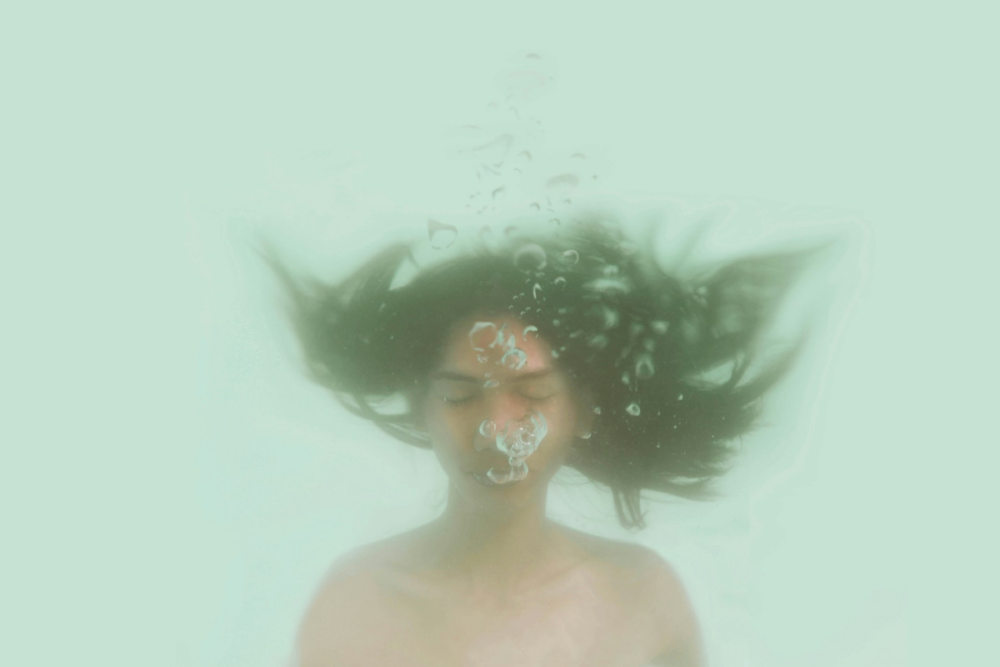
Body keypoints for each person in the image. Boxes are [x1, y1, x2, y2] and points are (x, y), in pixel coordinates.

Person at [262, 216, 812, 666]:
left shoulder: (645, 598)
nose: (497, 429)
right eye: (460, 396)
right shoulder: (357, 602)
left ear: (584, 411)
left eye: (533, 393)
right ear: (420, 409)